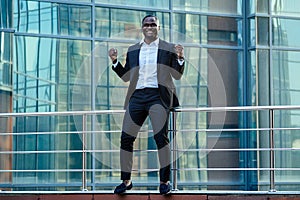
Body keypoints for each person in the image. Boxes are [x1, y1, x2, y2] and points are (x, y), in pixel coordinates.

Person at [108, 14, 184, 195]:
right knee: (126, 137)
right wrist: (115, 62)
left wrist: (180, 58)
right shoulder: (133, 49)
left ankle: (164, 181)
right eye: (146, 24)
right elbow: (127, 76)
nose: (149, 27)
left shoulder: (168, 48)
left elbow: (177, 75)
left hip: (158, 96)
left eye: (153, 24)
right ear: (142, 28)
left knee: (160, 138)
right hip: (137, 96)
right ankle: (126, 181)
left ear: (158, 28)